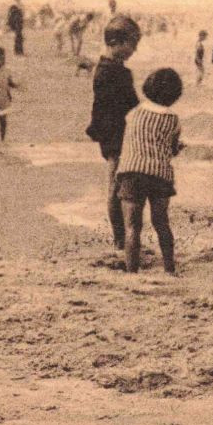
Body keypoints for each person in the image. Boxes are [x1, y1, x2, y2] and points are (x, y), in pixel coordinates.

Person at [115, 68, 184, 274]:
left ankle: (131, 271)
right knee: (161, 223)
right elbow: (170, 150)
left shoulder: (134, 113)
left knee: (132, 227)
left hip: (131, 171)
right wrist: (177, 148)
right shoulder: (173, 120)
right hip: (159, 175)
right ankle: (170, 269)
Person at [86, 15, 142, 250]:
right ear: (117, 42)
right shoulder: (115, 72)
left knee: (116, 185)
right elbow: (129, 105)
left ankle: (121, 238)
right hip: (116, 134)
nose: (134, 50)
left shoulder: (106, 68)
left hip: (111, 133)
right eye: (132, 45)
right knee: (116, 187)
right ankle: (121, 240)